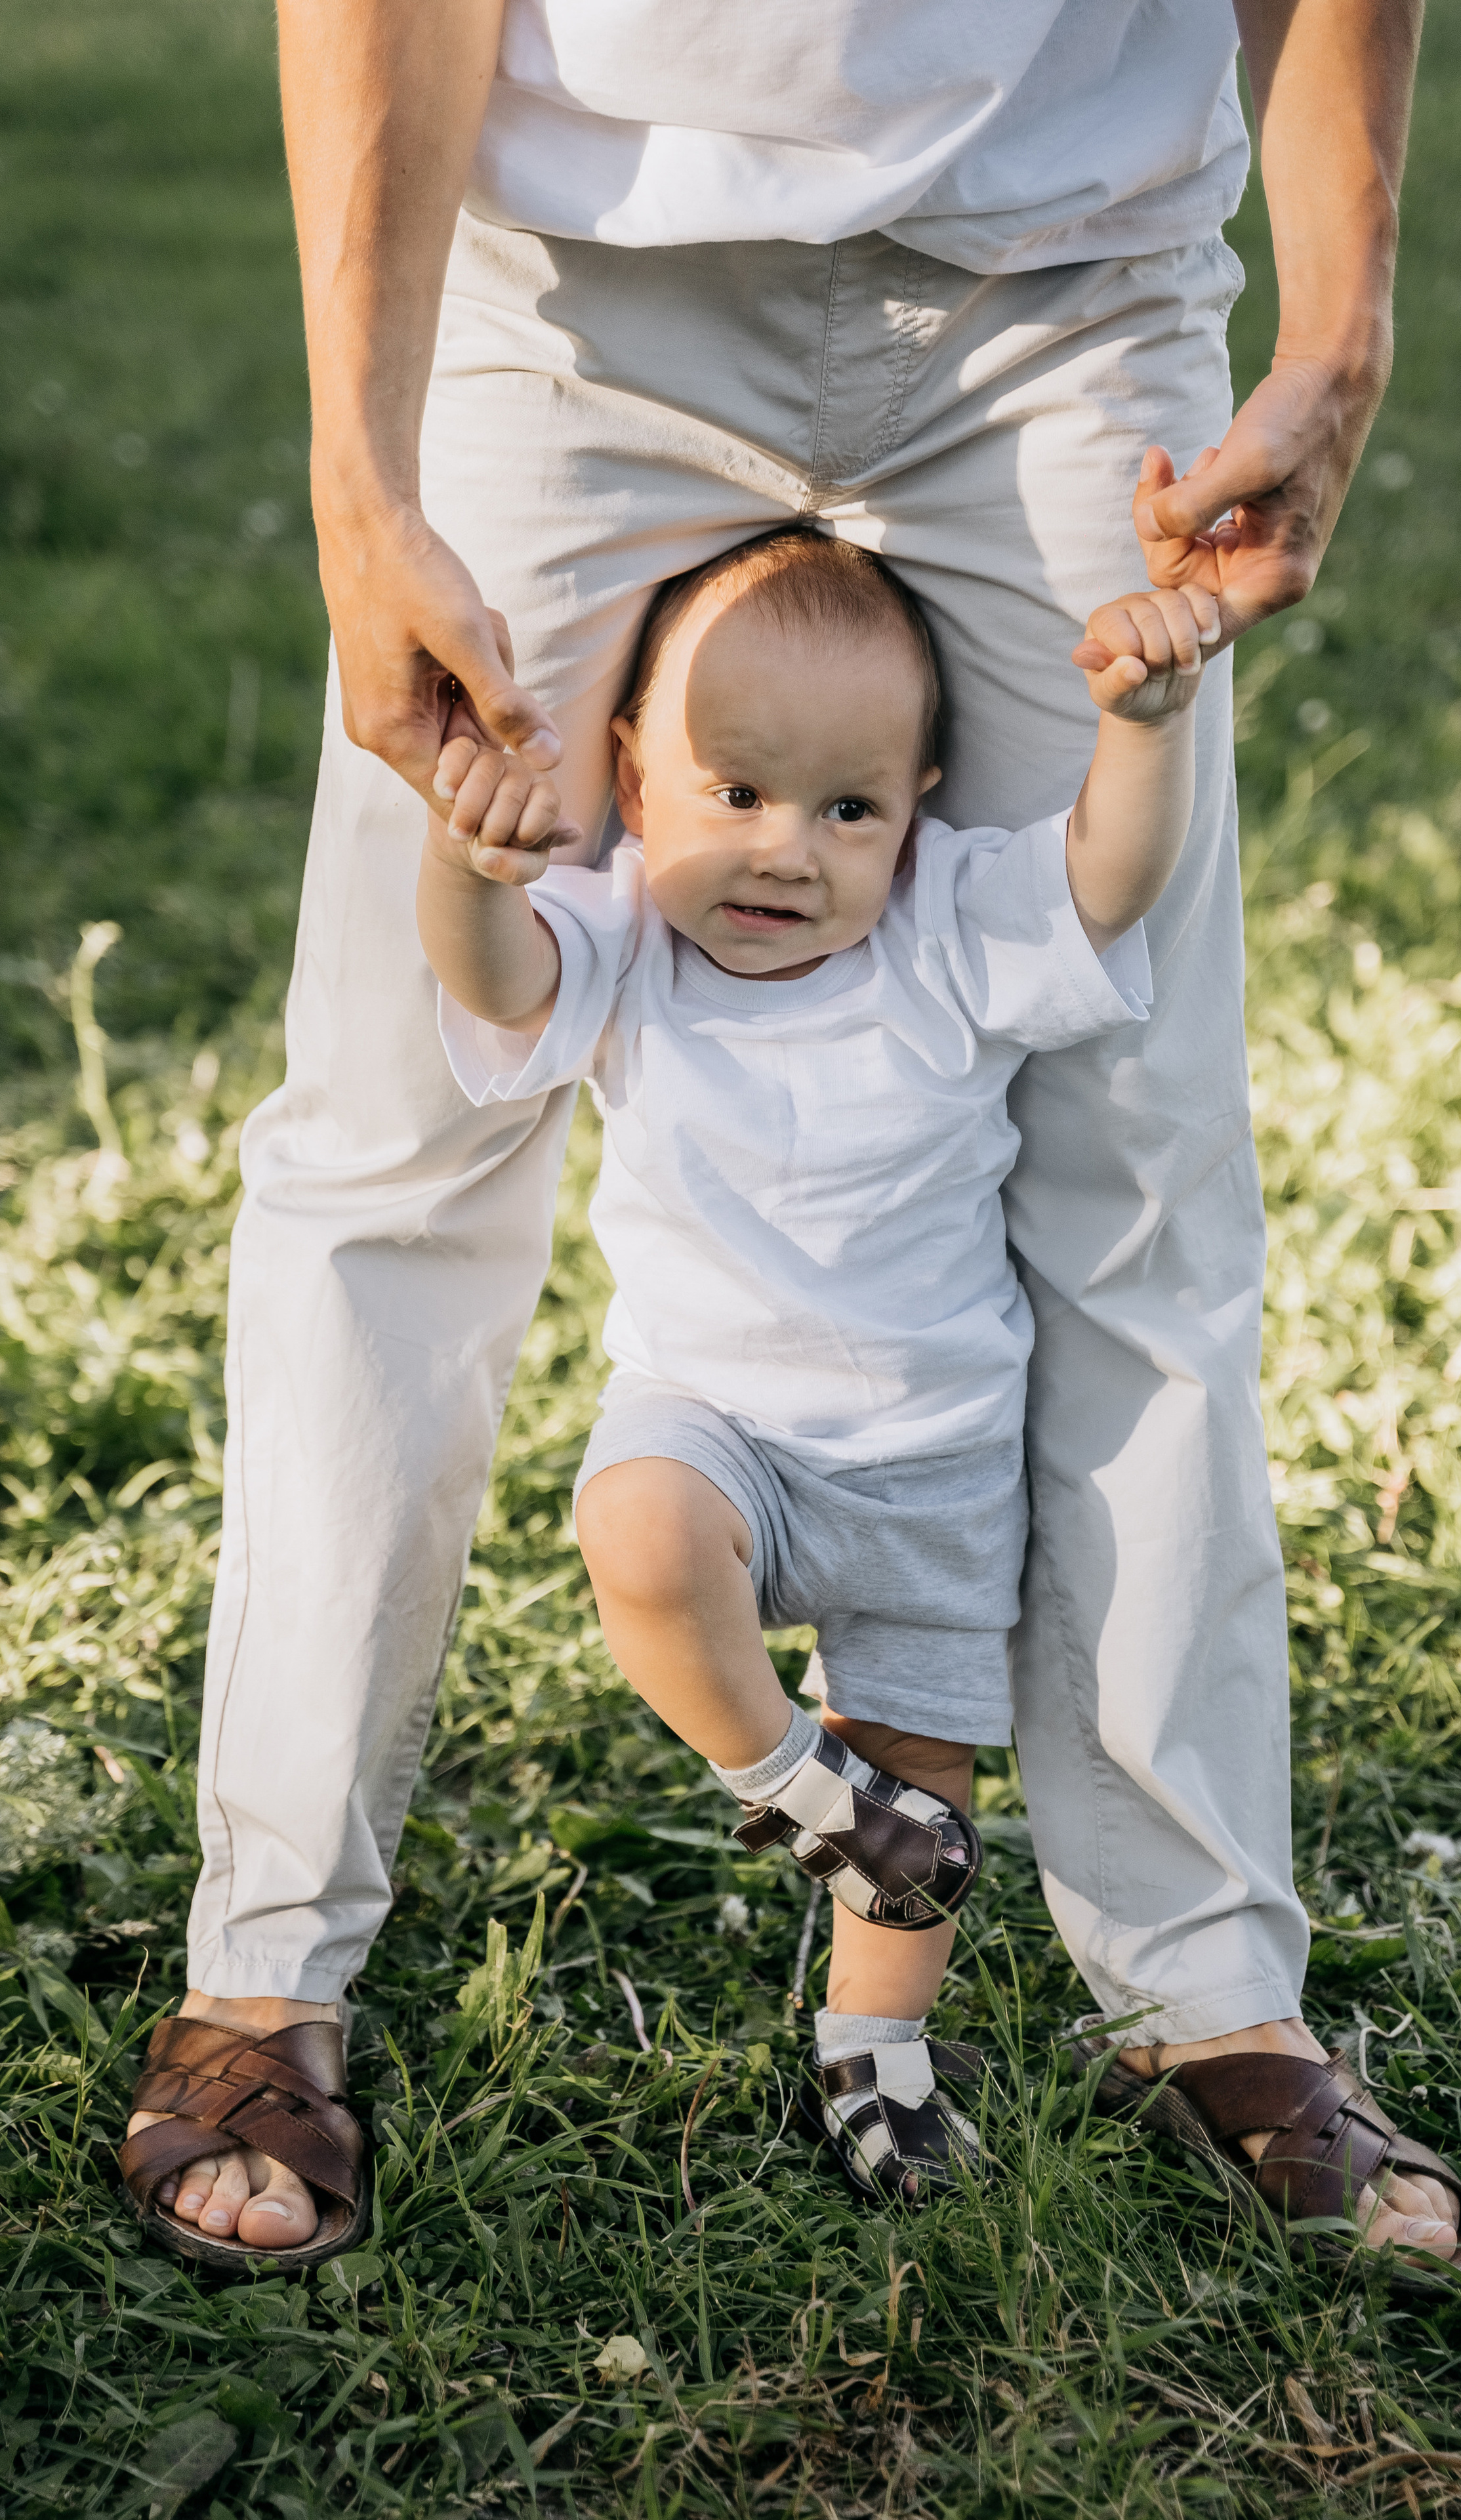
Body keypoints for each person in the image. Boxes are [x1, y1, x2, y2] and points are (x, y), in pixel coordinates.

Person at [121, 0, 1461, 2270]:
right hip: (570, 277)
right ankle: (268, 1970)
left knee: (1134, 1156)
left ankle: (1214, 1987)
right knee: (391, 1138)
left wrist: (1338, 325)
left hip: (1069, 283)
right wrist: (363, 474)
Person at [421, 521, 1211, 2200]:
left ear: (916, 804)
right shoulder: (625, 933)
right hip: (715, 1421)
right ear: (634, 781)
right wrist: (467, 866)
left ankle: (877, 2054)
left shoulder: (940, 929)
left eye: (847, 808)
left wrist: (1142, 727)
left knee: (922, 1777)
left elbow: (1105, 879)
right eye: (737, 793)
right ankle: (782, 1779)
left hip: (928, 1451)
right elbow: (494, 986)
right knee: (631, 1529)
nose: (786, 851)